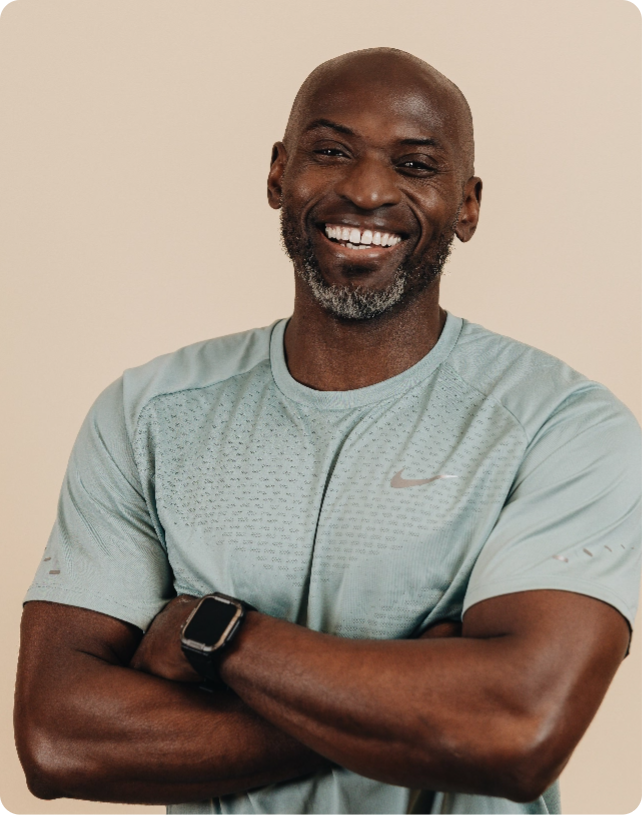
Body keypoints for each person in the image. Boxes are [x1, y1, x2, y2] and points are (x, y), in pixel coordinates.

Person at [14, 47, 642, 815]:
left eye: (415, 165)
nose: (368, 188)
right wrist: (419, 703)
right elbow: (58, 738)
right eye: (331, 151)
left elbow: (517, 729)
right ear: (279, 172)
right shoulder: (148, 412)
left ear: (468, 206)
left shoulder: (562, 426)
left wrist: (216, 635)